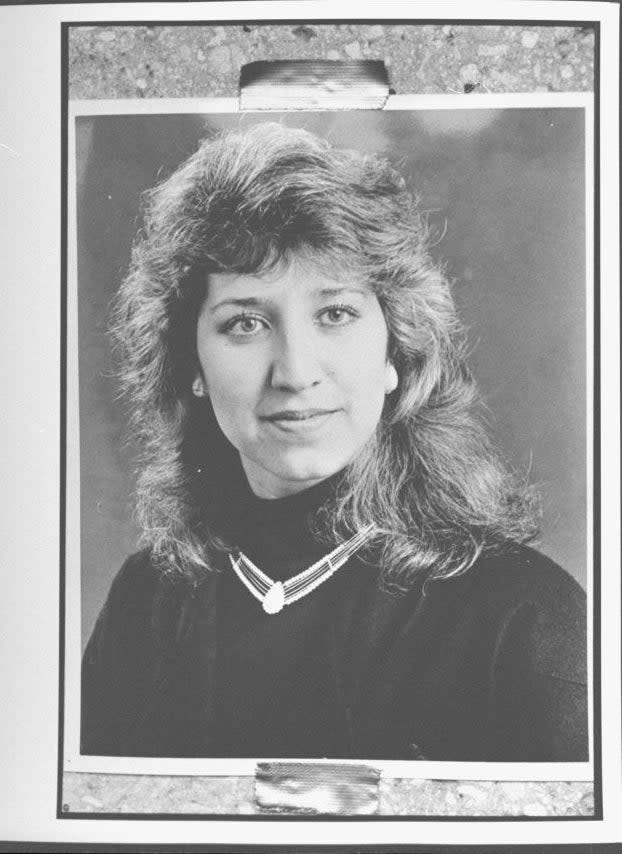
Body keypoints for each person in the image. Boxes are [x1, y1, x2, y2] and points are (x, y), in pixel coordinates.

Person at [81, 122, 588, 761]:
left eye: (336, 313)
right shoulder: (146, 601)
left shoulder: (528, 620)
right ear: (192, 369)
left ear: (394, 351)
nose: (295, 372)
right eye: (245, 322)